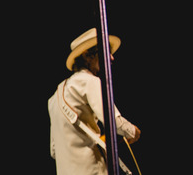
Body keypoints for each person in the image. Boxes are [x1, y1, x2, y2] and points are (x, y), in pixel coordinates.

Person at [48, 28, 141, 175]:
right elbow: (115, 123)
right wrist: (133, 131)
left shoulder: (54, 98)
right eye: (106, 51)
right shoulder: (89, 81)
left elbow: (54, 150)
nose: (112, 58)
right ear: (88, 55)